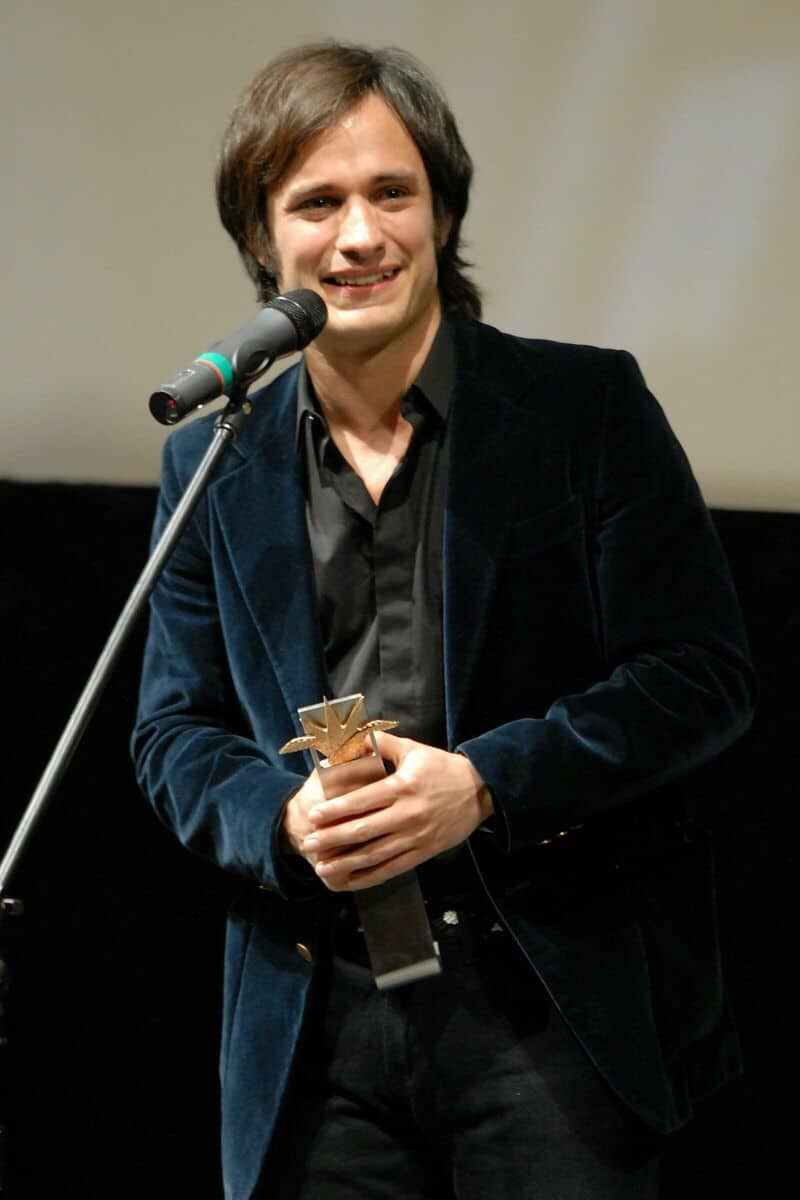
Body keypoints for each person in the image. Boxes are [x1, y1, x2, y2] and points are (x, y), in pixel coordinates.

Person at [132, 40, 756, 1200]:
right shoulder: (214, 462)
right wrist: (281, 822)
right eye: (316, 203)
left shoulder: (581, 409)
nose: (359, 235)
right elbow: (173, 731)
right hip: (315, 1018)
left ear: (444, 213)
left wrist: (483, 785)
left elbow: (694, 675)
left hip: (543, 1001)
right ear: (262, 240)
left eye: (392, 193)